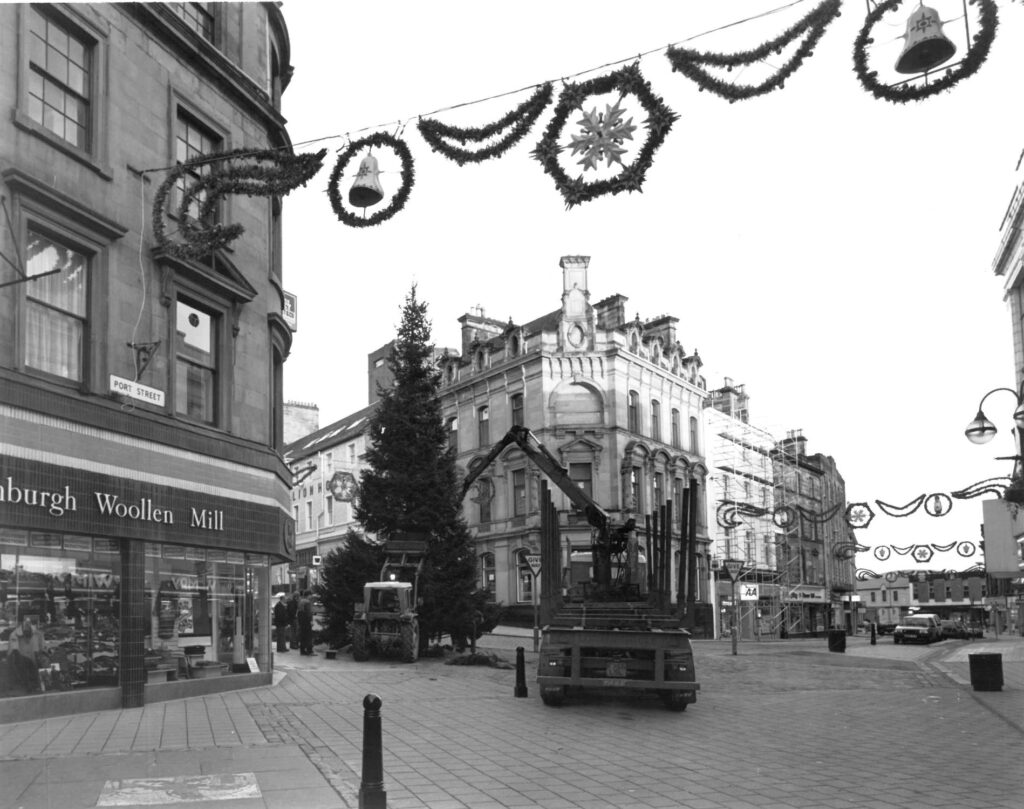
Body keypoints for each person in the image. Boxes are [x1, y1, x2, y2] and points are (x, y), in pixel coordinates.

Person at [8, 617, 44, 693]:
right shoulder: (14, 635)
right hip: (21, 670)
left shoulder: (38, 634)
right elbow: (15, 656)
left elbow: (41, 650)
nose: (27, 624)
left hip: (35, 666)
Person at [297, 589, 315, 655]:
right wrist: (311, 621)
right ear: (308, 595)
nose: (311, 596)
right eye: (311, 595)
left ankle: (302, 650)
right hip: (307, 622)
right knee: (309, 636)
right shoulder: (307, 602)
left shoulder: (301, 601)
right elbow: (308, 613)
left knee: (303, 636)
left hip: (302, 622)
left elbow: (299, 613)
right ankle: (309, 651)